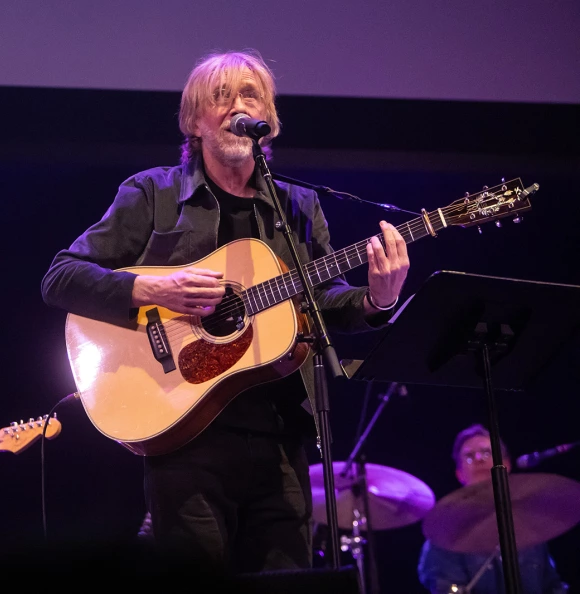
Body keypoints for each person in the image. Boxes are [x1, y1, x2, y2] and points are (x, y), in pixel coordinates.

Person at [41, 49, 409, 573]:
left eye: (250, 95)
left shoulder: (298, 208)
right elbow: (61, 277)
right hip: (184, 433)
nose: (238, 106)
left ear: (269, 120)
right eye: (222, 97)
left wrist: (379, 298)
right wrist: (155, 291)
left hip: (281, 435)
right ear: (194, 120)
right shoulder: (154, 193)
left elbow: (323, 305)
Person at [417, 424, 567, 594]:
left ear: (506, 465)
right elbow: (446, 588)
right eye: (469, 457)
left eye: (488, 453)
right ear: (459, 474)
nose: (479, 458)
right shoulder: (445, 535)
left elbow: (552, 585)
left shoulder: (528, 525)